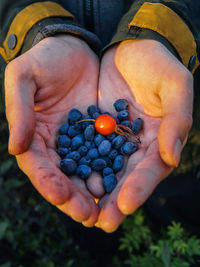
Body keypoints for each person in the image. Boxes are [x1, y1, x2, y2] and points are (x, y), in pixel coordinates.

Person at [0, 0, 200, 235]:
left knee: (174, 197)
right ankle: (98, 247)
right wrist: (34, 30)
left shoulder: (113, 130)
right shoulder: (91, 138)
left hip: (171, 118)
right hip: (61, 49)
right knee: (77, 205)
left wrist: (161, 30)